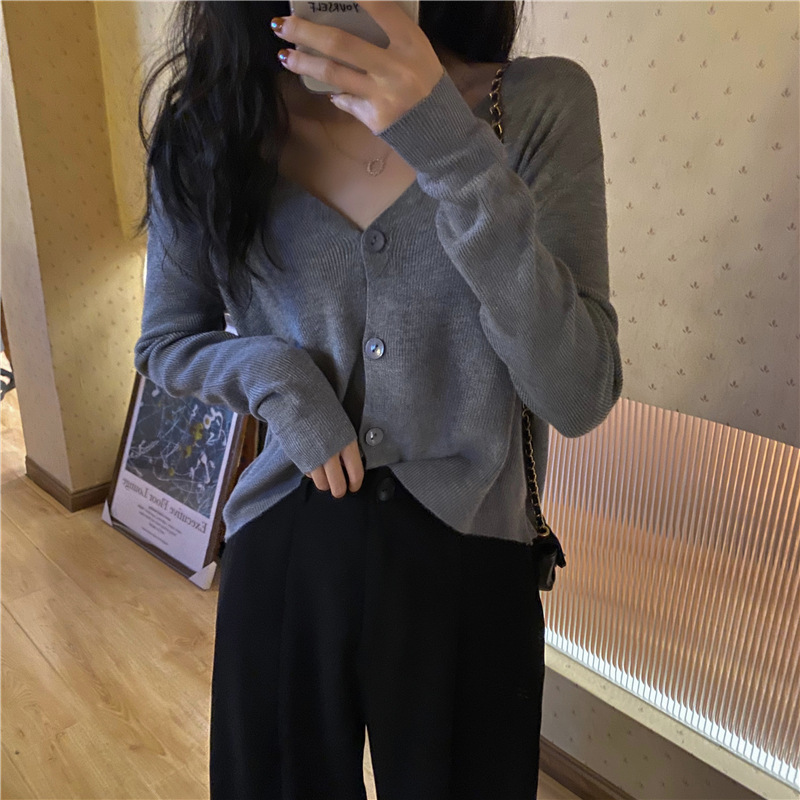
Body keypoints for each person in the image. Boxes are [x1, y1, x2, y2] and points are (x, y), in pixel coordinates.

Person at [133, 1, 623, 798]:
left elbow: (578, 392)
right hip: (285, 544)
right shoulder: (213, 126)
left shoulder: (536, 105)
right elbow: (164, 342)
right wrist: (279, 379)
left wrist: (449, 145)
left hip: (472, 557)